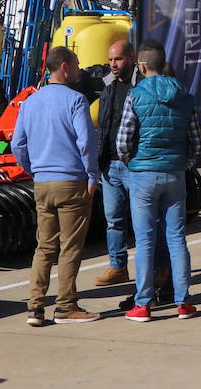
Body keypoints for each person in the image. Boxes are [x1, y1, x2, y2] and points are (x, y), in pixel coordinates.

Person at [12, 46, 101, 325]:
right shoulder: (76, 100)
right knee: (70, 246)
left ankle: (35, 306)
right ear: (63, 66)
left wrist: (33, 168)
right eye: (75, 64)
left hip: (42, 181)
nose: (78, 70)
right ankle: (65, 305)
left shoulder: (30, 102)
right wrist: (92, 175)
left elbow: (17, 143)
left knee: (44, 247)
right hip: (71, 180)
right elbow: (86, 142)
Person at [116, 42, 201, 321]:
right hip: (174, 173)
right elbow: (196, 144)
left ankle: (143, 303)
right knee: (177, 238)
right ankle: (183, 300)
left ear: (141, 67)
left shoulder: (135, 94)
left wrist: (133, 162)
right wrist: (183, 163)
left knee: (145, 241)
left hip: (143, 173)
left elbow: (123, 140)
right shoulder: (184, 95)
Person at [93, 39, 138, 287]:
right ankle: (118, 267)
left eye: (118, 59)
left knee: (142, 219)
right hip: (109, 164)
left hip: (133, 163)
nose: (113, 64)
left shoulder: (141, 85)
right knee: (114, 219)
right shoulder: (107, 85)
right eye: (111, 59)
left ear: (131, 58)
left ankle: (151, 267)